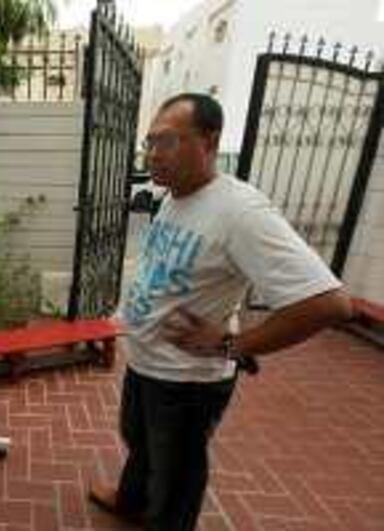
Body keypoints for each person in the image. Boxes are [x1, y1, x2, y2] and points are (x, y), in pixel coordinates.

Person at [89, 93, 353, 530]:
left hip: (187, 381)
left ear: (209, 142)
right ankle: (131, 500)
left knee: (177, 477)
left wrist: (235, 344)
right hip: (148, 362)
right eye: (150, 142)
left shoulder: (241, 211)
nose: (153, 154)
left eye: (168, 141)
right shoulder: (177, 194)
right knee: (139, 441)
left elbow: (329, 303)